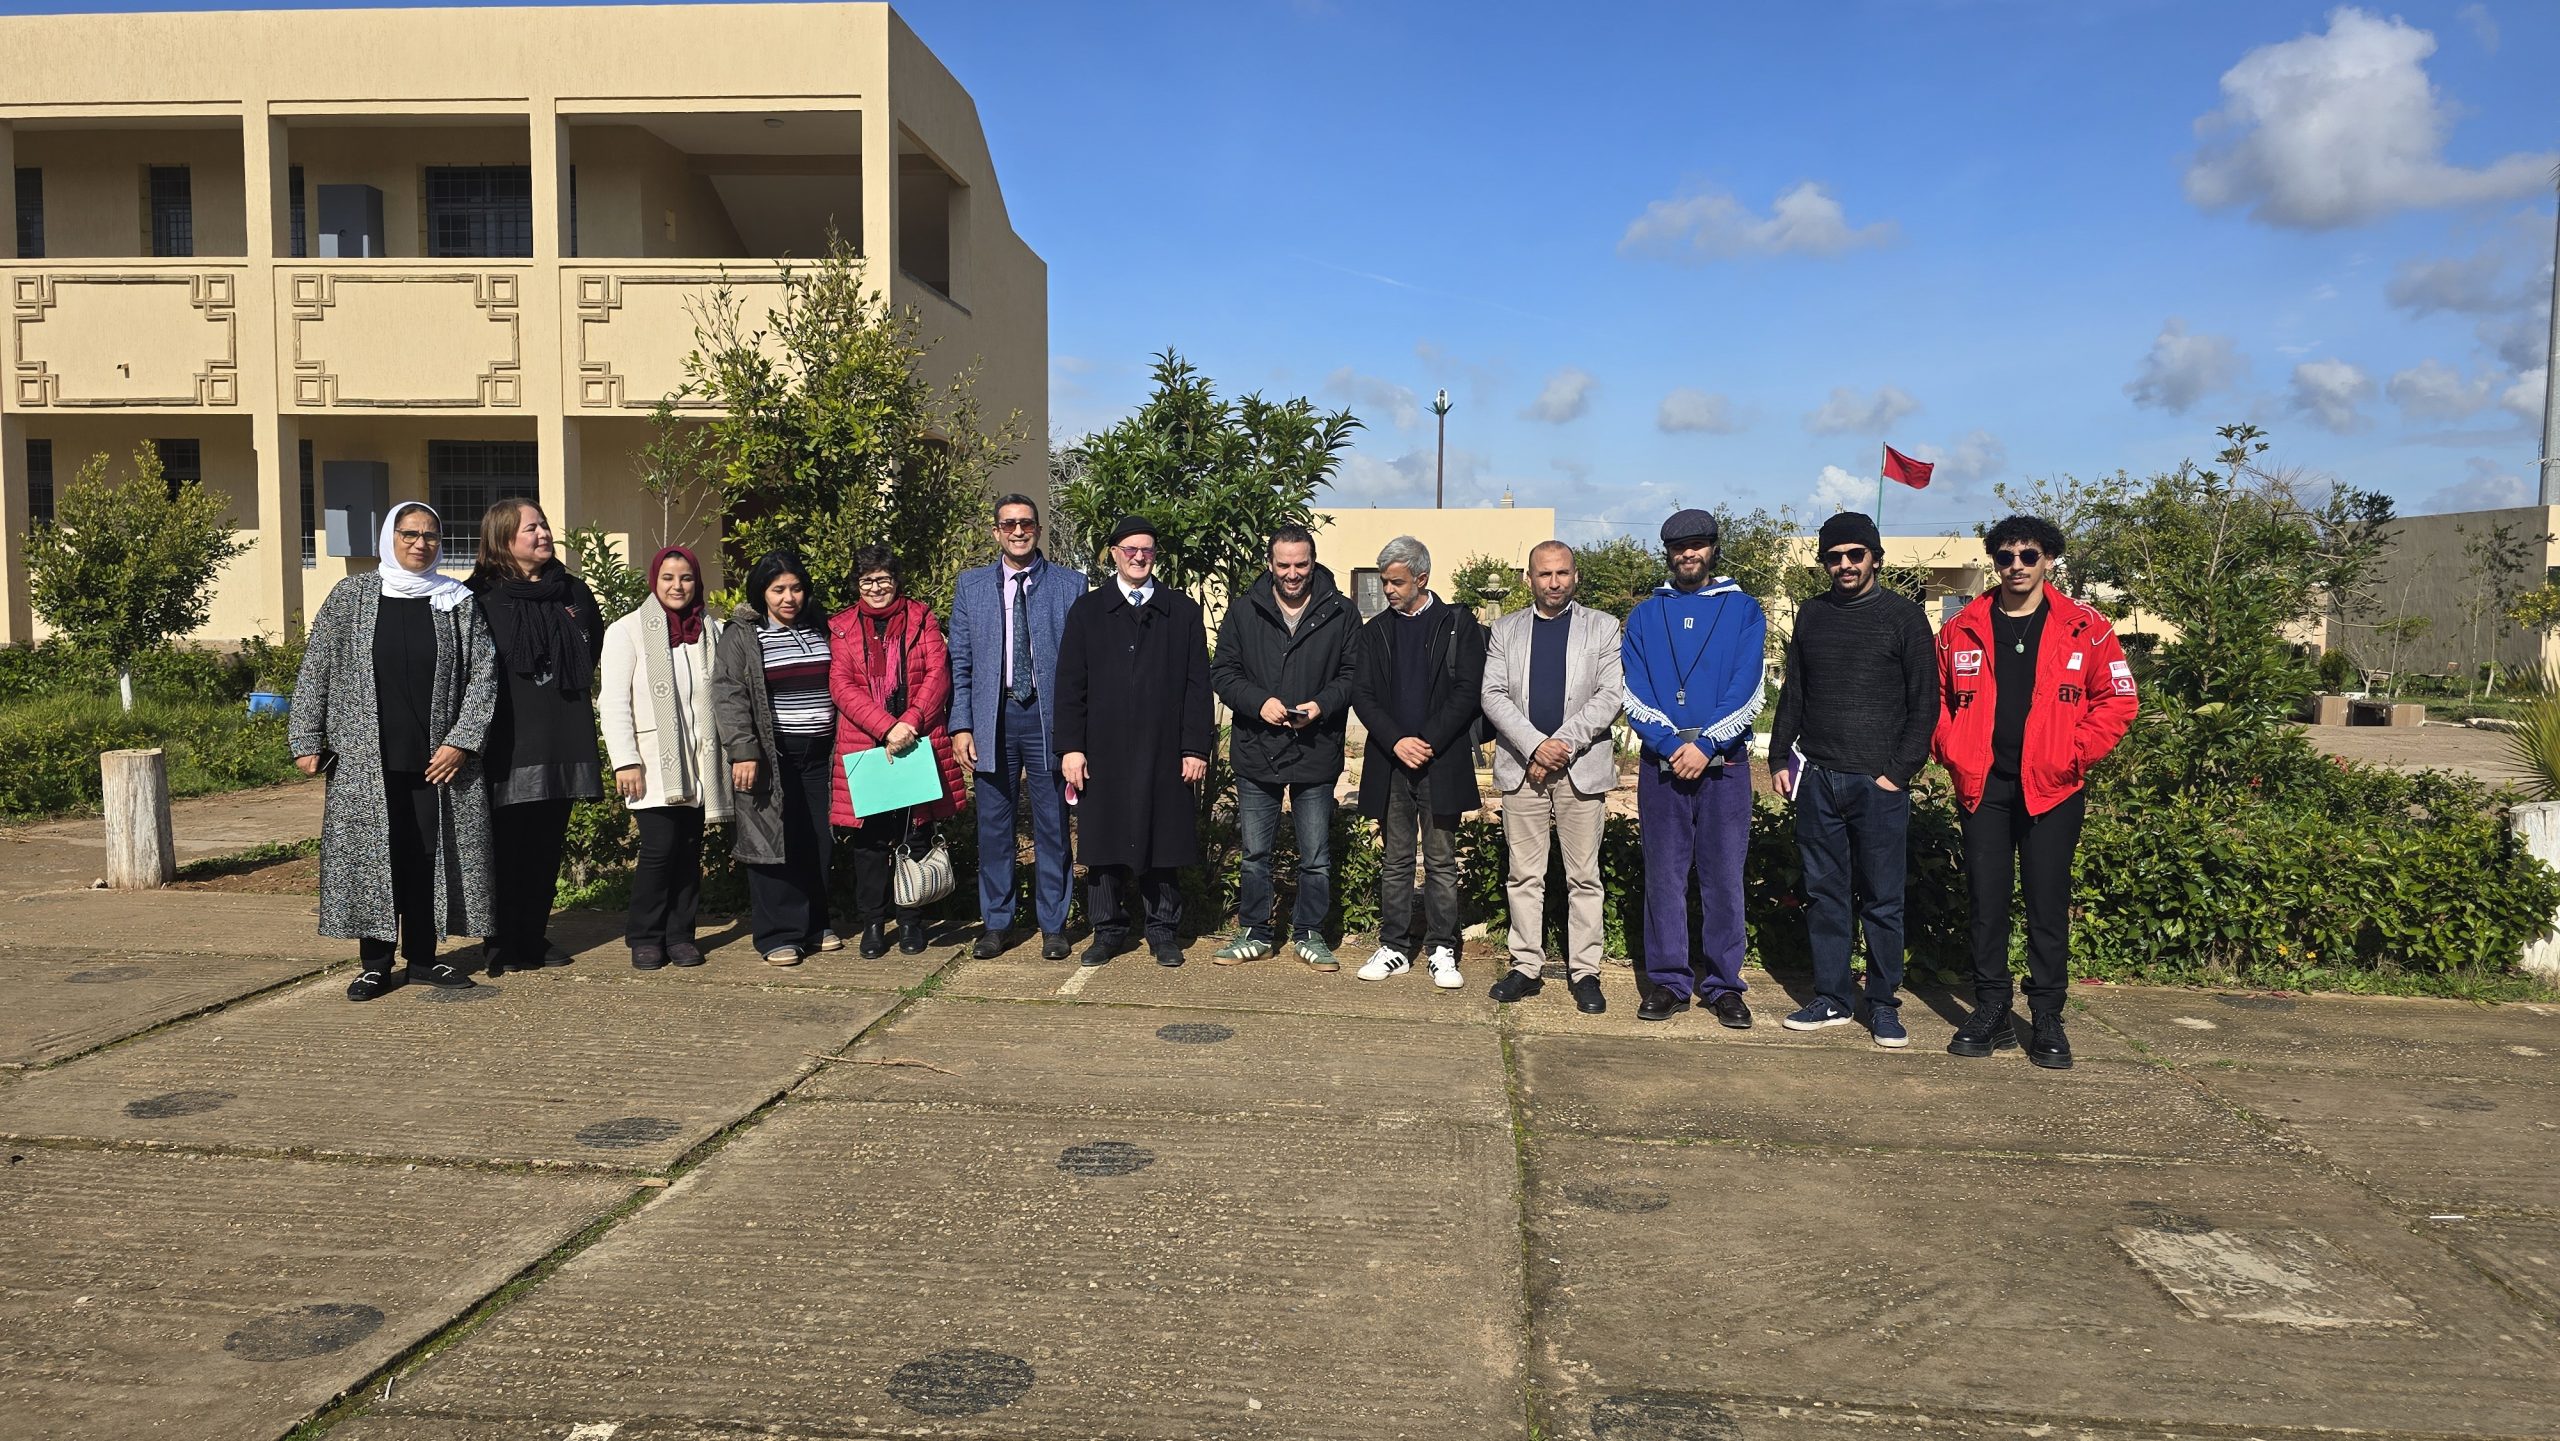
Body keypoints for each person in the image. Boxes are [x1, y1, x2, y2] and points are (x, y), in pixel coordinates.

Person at [1934, 516, 2136, 1070]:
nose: (2016, 566)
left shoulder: (2087, 627)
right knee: (1987, 901)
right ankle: (1992, 1008)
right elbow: (1936, 699)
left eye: (2028, 555)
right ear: (1994, 563)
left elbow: (2118, 700)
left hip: (2053, 788)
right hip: (1984, 785)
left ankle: (2047, 1014)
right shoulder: (1961, 628)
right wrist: (1952, 749)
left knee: (2047, 904)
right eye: (2005, 557)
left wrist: (2073, 753)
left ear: (2048, 559)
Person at [288, 503, 497, 1000]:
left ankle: (423, 959)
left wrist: (461, 741)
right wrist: (305, 737)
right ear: (390, 536)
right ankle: (375, 965)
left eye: (431, 535)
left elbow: (484, 676)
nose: (420, 544)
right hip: (366, 759)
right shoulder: (352, 596)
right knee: (376, 858)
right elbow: (317, 666)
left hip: (437, 763)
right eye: (409, 534)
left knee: (427, 857)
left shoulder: (455, 601)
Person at [1767, 512, 1939, 1048]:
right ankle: (1833, 998)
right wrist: (1779, 756)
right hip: (1818, 778)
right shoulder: (1813, 615)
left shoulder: (1905, 618)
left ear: (1875, 559)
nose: (1844, 565)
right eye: (1834, 557)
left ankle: (1883, 1004)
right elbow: (1795, 690)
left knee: (1883, 900)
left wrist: (1896, 774)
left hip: (1877, 784)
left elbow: (1925, 704)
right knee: (1824, 894)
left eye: (1855, 555)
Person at [1622, 508, 1767, 1026]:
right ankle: (1668, 981)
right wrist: (1668, 744)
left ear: (1713, 549)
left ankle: (1725, 985)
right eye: (1679, 547)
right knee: (1663, 876)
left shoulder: (1744, 609)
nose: (1689, 554)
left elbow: (1747, 685)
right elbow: (1634, 688)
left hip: (1724, 766)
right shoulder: (1644, 616)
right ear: (1668, 553)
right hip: (1661, 765)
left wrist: (1707, 744)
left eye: (1698, 545)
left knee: (1723, 877)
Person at [1054, 516, 1214, 969]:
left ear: (1155, 555)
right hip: (1101, 750)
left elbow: (1197, 686)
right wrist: (1071, 747)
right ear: (1114, 554)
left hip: (1164, 748)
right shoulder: (1088, 611)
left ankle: (1162, 930)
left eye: (1147, 550)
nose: (1139, 557)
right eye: (1130, 549)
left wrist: (1195, 748)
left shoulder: (1181, 611)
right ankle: (1107, 930)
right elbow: (1070, 685)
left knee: (1162, 840)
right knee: (1103, 842)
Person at [1479, 540, 1624, 1014]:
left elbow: (1610, 696)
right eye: (1545, 574)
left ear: (1576, 576)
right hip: (1523, 770)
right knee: (1524, 874)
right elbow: (1493, 695)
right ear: (1529, 579)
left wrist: (1559, 745)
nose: (1554, 582)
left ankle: (1585, 971)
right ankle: (1525, 965)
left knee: (1584, 877)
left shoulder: (1603, 627)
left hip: (1581, 768)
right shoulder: (1505, 630)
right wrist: (1534, 746)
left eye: (1562, 573)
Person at [1207, 525, 1358, 972]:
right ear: (1270, 563)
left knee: (1316, 857)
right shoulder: (1244, 610)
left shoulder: (1341, 612)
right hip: (1257, 748)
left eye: (1301, 564)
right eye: (1284, 564)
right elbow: (1223, 671)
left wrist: (1321, 705)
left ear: (1313, 562)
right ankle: (1255, 931)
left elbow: (1354, 674)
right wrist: (1259, 703)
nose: (1293, 573)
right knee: (1255, 854)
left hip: (1316, 748)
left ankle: (1309, 933)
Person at [467, 498, 604, 976]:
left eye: (544, 525)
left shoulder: (572, 590)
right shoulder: (478, 598)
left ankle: (533, 935)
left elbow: (592, 647)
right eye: (531, 528)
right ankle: (501, 940)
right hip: (506, 743)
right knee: (505, 848)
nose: (543, 534)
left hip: (562, 737)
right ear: (503, 538)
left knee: (546, 847)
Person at [948, 494, 1083, 961]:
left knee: (1053, 825)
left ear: (1039, 530)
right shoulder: (971, 586)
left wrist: (1076, 733)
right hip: (994, 717)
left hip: (1048, 719)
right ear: (996, 532)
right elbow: (960, 661)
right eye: (1009, 524)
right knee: (994, 828)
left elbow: (1080, 666)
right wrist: (961, 724)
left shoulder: (1070, 585)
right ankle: (997, 923)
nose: (1018, 531)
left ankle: (1053, 926)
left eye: (1026, 523)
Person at [1348, 536, 1486, 990]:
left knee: (1442, 859)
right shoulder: (1374, 632)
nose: (1387, 589)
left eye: (1396, 582)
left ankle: (1441, 947)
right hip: (1391, 763)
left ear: (1422, 579)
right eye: (1384, 581)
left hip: (1440, 762)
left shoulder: (1456, 624)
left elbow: (1468, 691)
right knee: (1396, 859)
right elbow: (1363, 695)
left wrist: (1425, 741)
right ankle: (1394, 945)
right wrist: (1397, 741)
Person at [827, 544, 968, 958]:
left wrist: (909, 722)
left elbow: (938, 675)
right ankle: (873, 923)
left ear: (897, 580)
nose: (876, 588)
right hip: (867, 745)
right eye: (867, 580)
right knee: (869, 843)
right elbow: (842, 686)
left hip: (915, 742)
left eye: (884, 579)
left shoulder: (922, 618)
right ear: (857, 585)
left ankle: (910, 921)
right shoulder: (842, 627)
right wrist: (886, 727)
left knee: (915, 834)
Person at [599, 545, 729, 972]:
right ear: (654, 581)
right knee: (660, 849)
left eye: (686, 578)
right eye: (668, 578)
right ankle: (645, 935)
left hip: (699, 762)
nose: (677, 586)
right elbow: (613, 701)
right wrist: (625, 760)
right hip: (653, 763)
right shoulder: (627, 630)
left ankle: (680, 935)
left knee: (689, 849)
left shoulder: (711, 629)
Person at [712, 550, 840, 966]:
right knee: (771, 840)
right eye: (778, 589)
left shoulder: (819, 626)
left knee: (817, 839)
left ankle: (815, 923)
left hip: (821, 756)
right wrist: (743, 751)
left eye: (796, 588)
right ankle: (778, 933)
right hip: (772, 755)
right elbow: (729, 695)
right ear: (762, 593)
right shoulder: (743, 635)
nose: (789, 598)